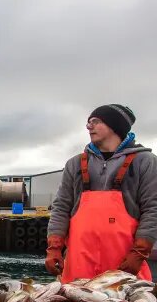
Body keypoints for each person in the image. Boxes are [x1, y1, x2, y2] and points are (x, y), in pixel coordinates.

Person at [46, 104, 157, 282]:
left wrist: (139, 253)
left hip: (125, 265)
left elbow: (153, 209)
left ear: (115, 126)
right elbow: (61, 208)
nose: (89, 126)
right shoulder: (74, 164)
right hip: (79, 263)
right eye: (89, 122)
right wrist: (54, 248)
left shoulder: (145, 162)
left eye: (96, 122)